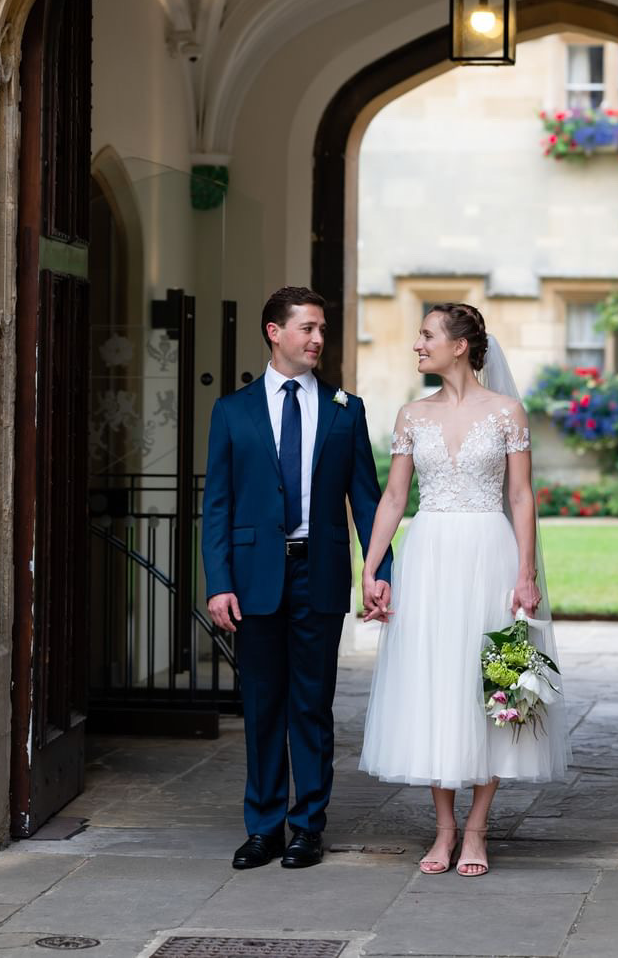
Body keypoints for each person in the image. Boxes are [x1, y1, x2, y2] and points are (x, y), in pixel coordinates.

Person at [359, 303, 567, 877]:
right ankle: (444, 828)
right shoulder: (410, 416)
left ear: (459, 346)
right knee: (435, 683)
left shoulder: (507, 413)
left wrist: (525, 573)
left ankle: (477, 829)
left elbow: (522, 497)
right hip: (428, 557)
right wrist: (372, 566)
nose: (417, 345)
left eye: (426, 335)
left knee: (494, 684)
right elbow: (395, 498)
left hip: (490, 555)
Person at [203, 286, 392, 870]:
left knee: (312, 705)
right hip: (254, 576)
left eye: (321, 330)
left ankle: (307, 826)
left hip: (321, 571)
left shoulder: (345, 410)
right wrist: (218, 582)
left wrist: (379, 571)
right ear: (274, 332)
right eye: (306, 328)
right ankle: (263, 829)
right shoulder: (232, 411)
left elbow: (367, 500)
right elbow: (218, 505)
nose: (316, 339)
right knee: (261, 705)